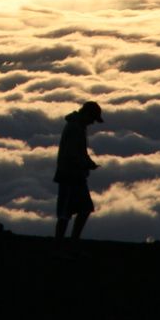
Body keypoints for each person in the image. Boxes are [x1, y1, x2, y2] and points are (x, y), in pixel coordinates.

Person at [53, 100, 103, 246]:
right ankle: (61, 246)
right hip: (70, 175)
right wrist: (86, 164)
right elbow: (72, 154)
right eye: (92, 119)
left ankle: (69, 243)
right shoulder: (75, 128)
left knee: (79, 209)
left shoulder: (78, 127)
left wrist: (88, 162)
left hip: (75, 175)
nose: (92, 123)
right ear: (87, 114)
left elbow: (80, 152)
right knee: (66, 213)